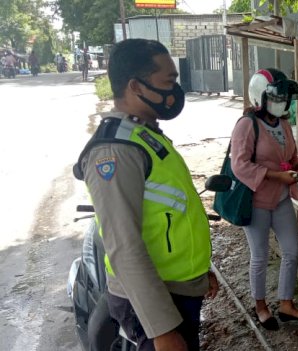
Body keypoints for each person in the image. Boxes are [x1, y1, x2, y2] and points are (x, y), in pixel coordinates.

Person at [72, 39, 218, 351]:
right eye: (169, 82)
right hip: (154, 301)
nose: (176, 90)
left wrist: (201, 272)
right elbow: (123, 246)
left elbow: (173, 214)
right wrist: (161, 329)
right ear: (136, 86)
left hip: (176, 290)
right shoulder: (115, 150)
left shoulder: (144, 134)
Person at [230, 68, 298, 331]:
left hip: (281, 199)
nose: (282, 103)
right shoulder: (247, 125)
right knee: (260, 255)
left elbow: (292, 155)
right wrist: (277, 176)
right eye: (277, 98)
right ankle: (261, 307)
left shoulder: (283, 124)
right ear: (261, 98)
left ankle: (286, 304)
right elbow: (239, 165)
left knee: (292, 251)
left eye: (284, 99)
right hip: (256, 201)